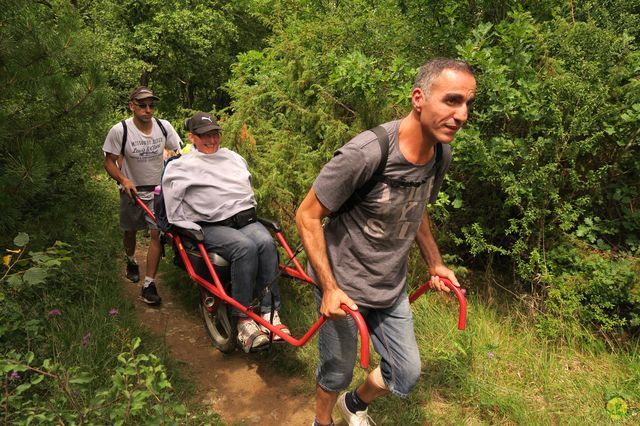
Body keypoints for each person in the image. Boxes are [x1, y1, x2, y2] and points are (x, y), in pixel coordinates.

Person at [295, 58, 476, 426]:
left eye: (468, 104)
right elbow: (307, 215)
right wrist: (329, 288)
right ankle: (322, 422)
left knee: (405, 373)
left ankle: (355, 405)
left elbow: (418, 206)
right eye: (452, 100)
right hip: (342, 285)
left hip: (390, 287)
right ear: (418, 98)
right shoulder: (367, 152)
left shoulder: (441, 153)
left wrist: (435, 263)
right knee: (336, 370)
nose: (462, 115)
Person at [161, 111, 291, 353]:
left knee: (266, 243)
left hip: (243, 220)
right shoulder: (181, 166)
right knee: (245, 248)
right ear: (192, 137)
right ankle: (243, 320)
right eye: (204, 136)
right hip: (212, 226)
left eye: (214, 134)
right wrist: (186, 227)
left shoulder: (232, 157)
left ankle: (270, 313)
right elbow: (173, 204)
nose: (211, 140)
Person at [103, 86, 183, 306]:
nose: (148, 110)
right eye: (142, 105)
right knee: (130, 232)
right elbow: (109, 161)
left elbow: (178, 153)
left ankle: (149, 284)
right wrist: (123, 180)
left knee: (157, 234)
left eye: (151, 105)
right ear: (132, 106)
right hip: (132, 192)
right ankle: (130, 260)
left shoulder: (163, 127)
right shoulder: (120, 130)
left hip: (158, 192)